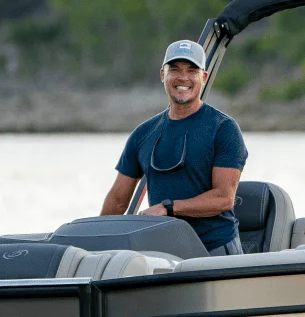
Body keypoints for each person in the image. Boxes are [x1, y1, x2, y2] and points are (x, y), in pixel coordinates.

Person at [100, 40, 248, 255]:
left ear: (204, 77)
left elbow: (224, 198)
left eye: (192, 70)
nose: (183, 77)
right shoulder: (143, 133)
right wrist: (97, 243)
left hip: (214, 248)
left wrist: (167, 208)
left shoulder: (223, 128)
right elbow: (118, 200)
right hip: (163, 250)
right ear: (163, 74)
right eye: (175, 69)